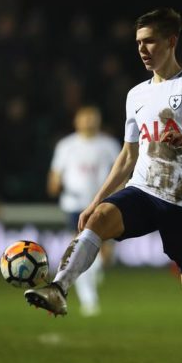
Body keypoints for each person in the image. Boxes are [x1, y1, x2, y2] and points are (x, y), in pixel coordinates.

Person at [24, 7, 182, 363]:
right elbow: (128, 156)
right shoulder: (135, 95)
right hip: (143, 190)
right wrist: (96, 200)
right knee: (98, 219)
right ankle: (59, 288)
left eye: (149, 42)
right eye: (138, 43)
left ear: (171, 41)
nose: (142, 50)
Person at [47, 106, 121, 316]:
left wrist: (120, 194)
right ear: (76, 121)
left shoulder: (108, 145)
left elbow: (119, 171)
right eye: (85, 117)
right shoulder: (67, 145)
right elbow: (56, 173)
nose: (88, 121)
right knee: (80, 249)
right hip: (75, 205)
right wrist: (54, 184)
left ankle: (91, 271)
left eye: (92, 117)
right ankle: (89, 301)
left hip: (101, 203)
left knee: (105, 256)